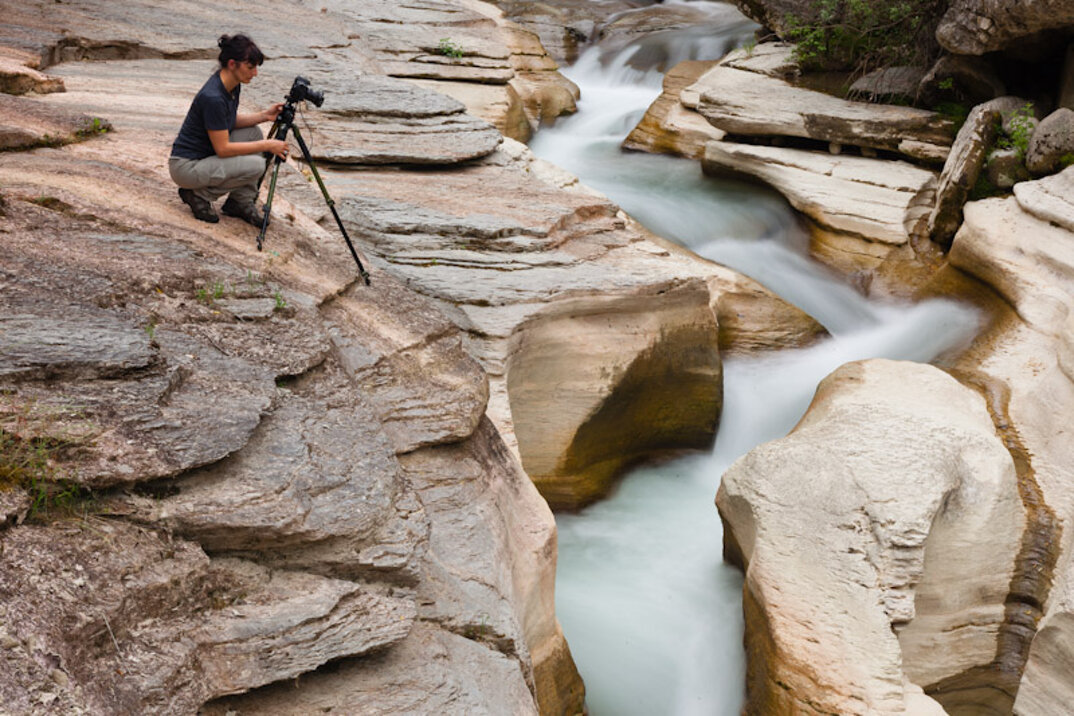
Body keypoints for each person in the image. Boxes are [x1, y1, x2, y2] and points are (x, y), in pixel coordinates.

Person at [169, 33, 288, 225]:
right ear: (232, 64)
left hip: (203, 158)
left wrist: (265, 115)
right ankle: (199, 195)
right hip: (186, 166)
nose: (255, 73)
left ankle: (239, 202)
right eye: (250, 67)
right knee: (257, 165)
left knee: (253, 133)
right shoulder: (214, 97)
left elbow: (227, 122)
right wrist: (268, 145)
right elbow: (223, 149)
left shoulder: (231, 85)